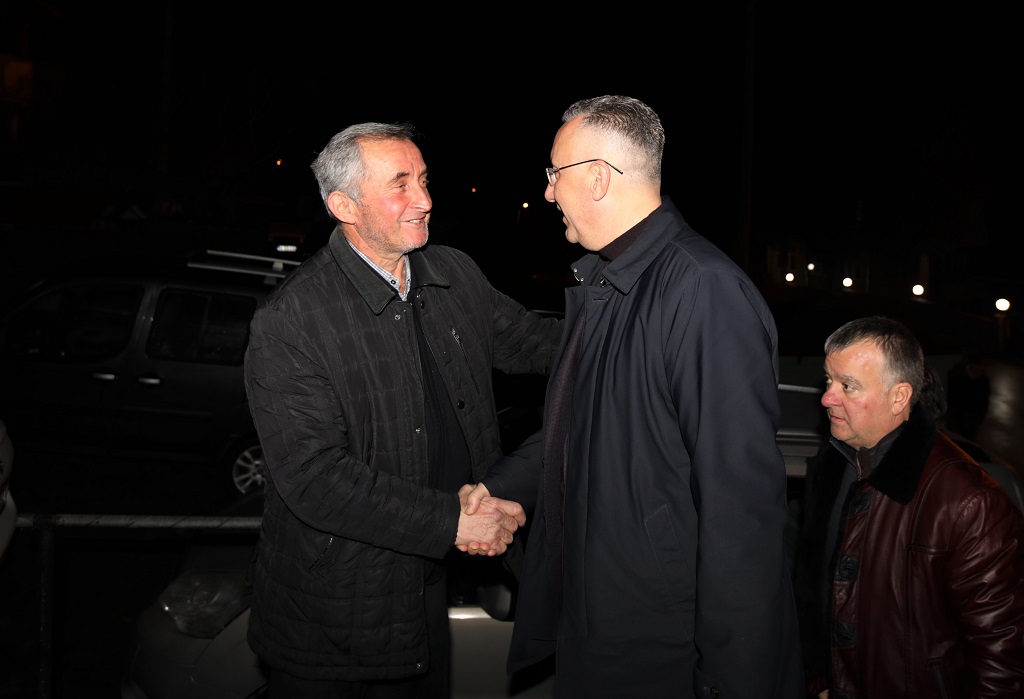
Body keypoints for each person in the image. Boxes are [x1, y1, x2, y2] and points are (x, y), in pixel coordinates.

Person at [462, 95, 802, 697]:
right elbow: (579, 425)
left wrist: (731, 681)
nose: (548, 193)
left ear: (597, 178)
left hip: (659, 647)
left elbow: (741, 515)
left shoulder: (702, 291)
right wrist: (503, 486)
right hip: (601, 627)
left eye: (554, 174)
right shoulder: (611, 283)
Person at [242, 121, 563, 697]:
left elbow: (535, 344)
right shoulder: (292, 321)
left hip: (427, 587)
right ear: (345, 206)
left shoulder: (452, 273)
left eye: (424, 179)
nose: (424, 199)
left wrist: (634, 326)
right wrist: (453, 521)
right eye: (400, 184)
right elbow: (314, 478)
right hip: (332, 620)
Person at [791, 315, 1024, 698]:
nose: (827, 398)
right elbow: (820, 603)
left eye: (847, 386)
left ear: (899, 397)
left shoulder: (970, 503)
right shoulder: (836, 466)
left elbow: (1002, 663)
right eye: (828, 380)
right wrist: (821, 681)